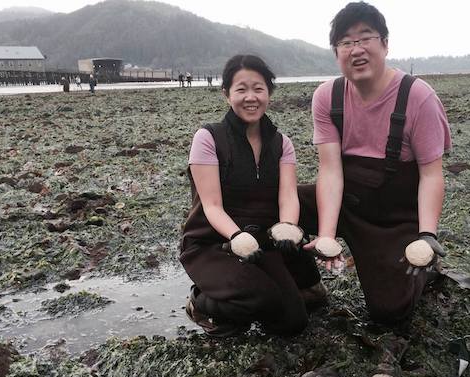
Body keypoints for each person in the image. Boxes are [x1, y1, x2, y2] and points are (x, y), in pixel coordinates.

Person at [298, 1, 451, 325]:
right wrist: (326, 235)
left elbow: (431, 175)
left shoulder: (418, 97)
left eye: (365, 38)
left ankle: (426, 269)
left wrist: (427, 234)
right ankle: (306, 285)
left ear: (384, 43)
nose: (357, 49)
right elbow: (330, 171)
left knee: (389, 311)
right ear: (336, 51)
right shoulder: (327, 97)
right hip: (346, 204)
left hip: (393, 220)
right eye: (346, 42)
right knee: (275, 208)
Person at [180, 54, 314, 337]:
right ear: (226, 94)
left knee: (293, 323)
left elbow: (288, 195)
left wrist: (288, 227)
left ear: (269, 92)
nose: (250, 97)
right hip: (212, 243)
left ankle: (235, 299)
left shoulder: (281, 144)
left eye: (258, 88)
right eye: (241, 89)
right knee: (262, 298)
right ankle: (201, 302)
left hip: (260, 244)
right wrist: (236, 236)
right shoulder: (209, 138)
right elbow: (212, 206)